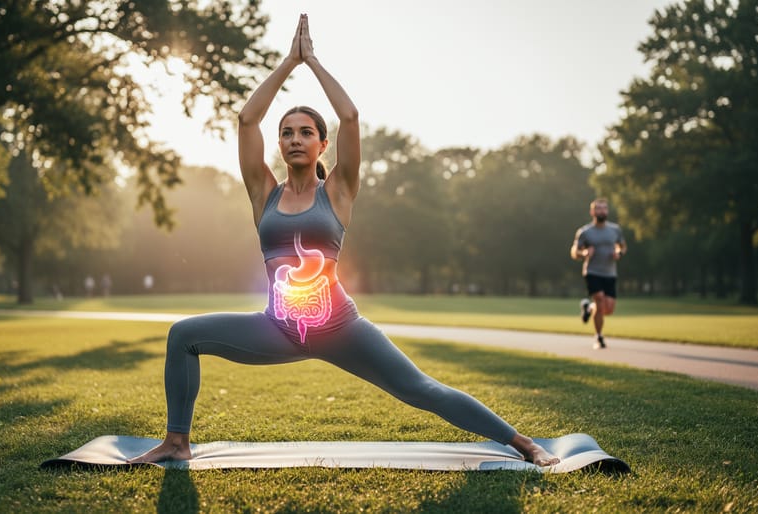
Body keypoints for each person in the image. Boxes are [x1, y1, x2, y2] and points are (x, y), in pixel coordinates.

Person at [129, 14, 559, 467]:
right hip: (277, 329)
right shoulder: (263, 193)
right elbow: (245, 120)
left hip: (341, 328)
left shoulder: (338, 191)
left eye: (305, 132)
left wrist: (311, 61)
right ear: (279, 144)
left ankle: (524, 444)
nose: (295, 139)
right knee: (183, 335)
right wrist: (286, 63)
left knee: (421, 390)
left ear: (322, 144)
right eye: (287, 133)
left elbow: (351, 116)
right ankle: (177, 442)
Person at [570, 198, 627, 349]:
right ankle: (599, 337)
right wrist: (584, 253)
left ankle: (589, 308)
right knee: (600, 300)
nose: (602, 211)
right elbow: (574, 252)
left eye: (604, 208)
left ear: (607, 211)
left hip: (610, 273)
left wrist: (618, 253)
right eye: (598, 209)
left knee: (608, 309)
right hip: (592, 272)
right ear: (592, 212)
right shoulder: (585, 232)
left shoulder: (615, 230)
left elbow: (622, 246)